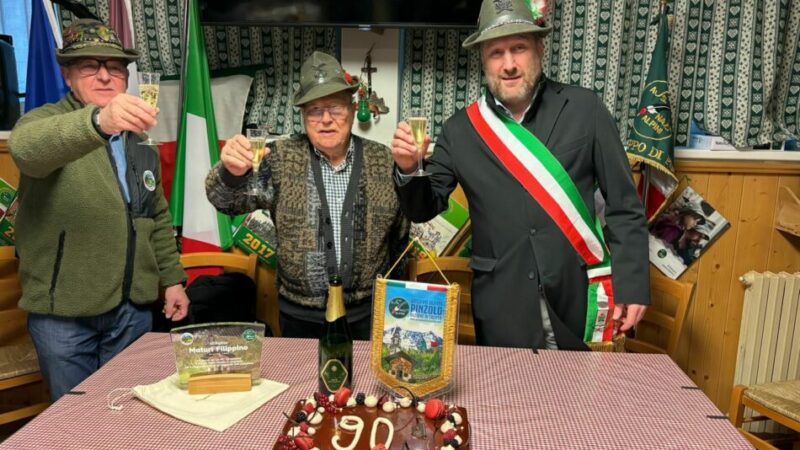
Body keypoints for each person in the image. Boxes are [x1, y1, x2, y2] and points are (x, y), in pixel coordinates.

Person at [391, 0, 649, 350]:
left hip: (579, 296)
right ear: (483, 59)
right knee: (508, 403)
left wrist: (632, 284)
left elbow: (624, 206)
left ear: (540, 48)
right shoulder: (460, 129)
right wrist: (409, 169)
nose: (509, 64)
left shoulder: (585, 109)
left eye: (519, 48)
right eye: (496, 53)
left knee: (584, 402)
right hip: (501, 306)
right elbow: (424, 208)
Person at [9, 19, 188, 401]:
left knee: (129, 412)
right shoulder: (43, 122)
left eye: (115, 67)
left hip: (130, 312)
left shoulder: (141, 142)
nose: (105, 76)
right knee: (75, 422)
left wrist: (172, 280)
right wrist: (97, 122)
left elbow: (154, 216)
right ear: (68, 75)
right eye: (90, 66)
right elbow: (28, 149)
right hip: (64, 317)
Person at [206, 51, 409, 340]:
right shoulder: (279, 158)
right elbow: (225, 201)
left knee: (365, 384)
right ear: (303, 116)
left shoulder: (384, 160)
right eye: (314, 110)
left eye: (336, 108)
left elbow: (401, 236)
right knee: (302, 384)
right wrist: (230, 172)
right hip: (299, 317)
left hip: (367, 315)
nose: (326, 119)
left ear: (351, 110)